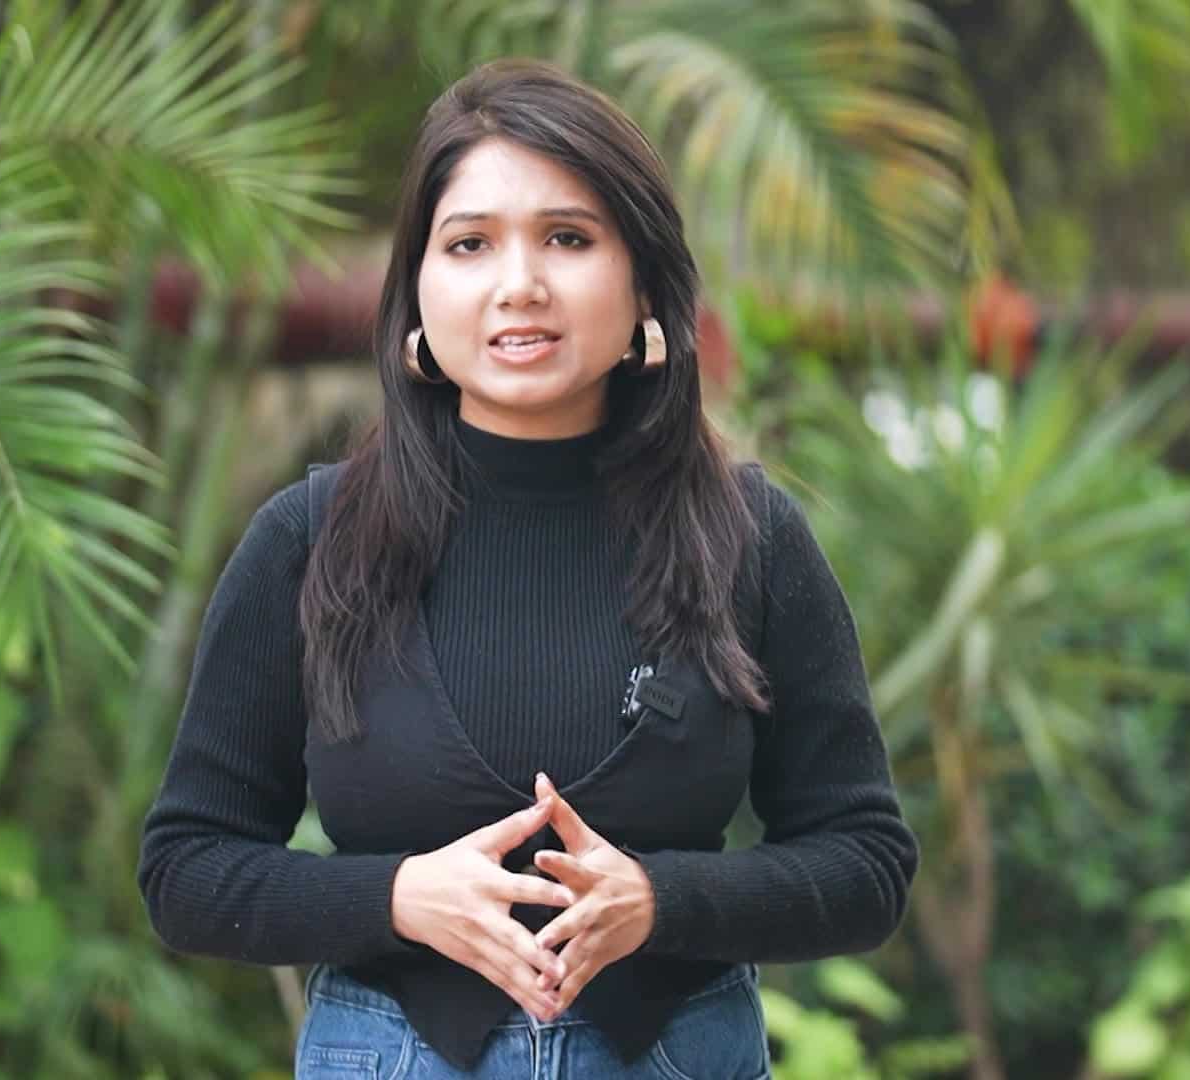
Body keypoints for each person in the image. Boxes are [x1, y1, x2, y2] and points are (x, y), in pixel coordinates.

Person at [137, 57, 919, 1078]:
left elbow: (866, 863)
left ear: (643, 279)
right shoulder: (310, 541)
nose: (520, 286)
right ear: (417, 288)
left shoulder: (747, 537)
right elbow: (187, 869)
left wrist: (662, 900)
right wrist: (397, 898)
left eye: (568, 238)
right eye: (470, 243)